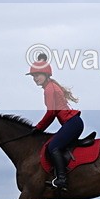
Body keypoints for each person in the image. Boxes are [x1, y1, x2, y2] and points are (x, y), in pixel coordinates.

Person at [27, 53, 83, 191]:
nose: (35, 79)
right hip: (73, 123)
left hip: (72, 123)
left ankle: (62, 179)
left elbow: (51, 113)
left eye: (37, 75)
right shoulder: (51, 86)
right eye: (33, 76)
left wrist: (38, 128)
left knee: (53, 147)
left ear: (46, 74)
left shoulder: (49, 89)